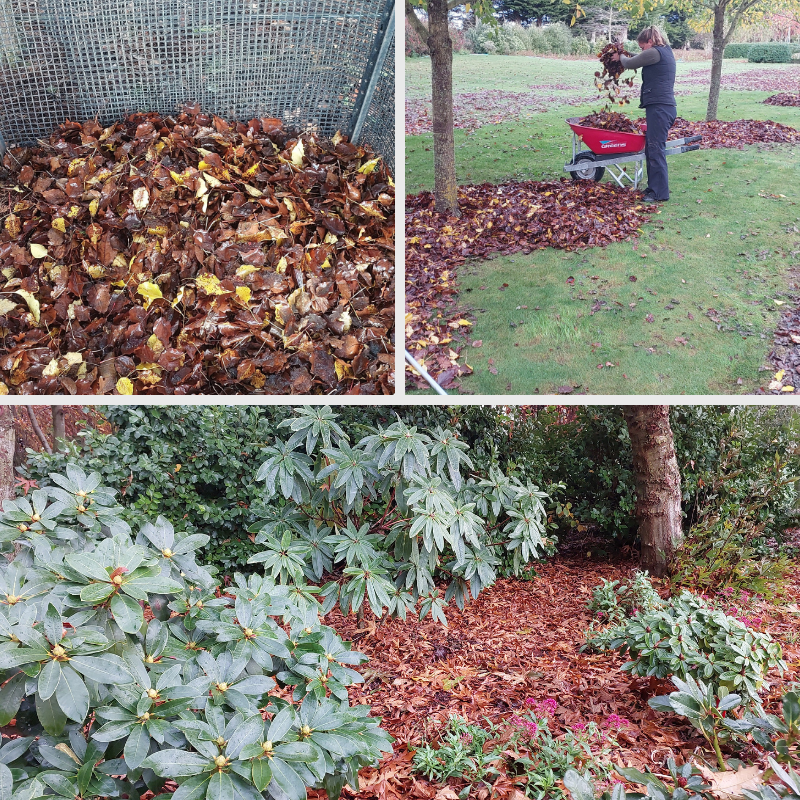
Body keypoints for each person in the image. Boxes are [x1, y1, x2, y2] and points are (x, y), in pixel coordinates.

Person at [611, 27, 676, 203]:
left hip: (660, 108)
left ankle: (659, 193)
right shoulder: (662, 51)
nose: (641, 51)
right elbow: (639, 57)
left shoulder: (654, 52)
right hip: (661, 107)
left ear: (650, 41)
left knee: (656, 149)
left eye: (642, 47)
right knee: (652, 149)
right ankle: (654, 188)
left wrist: (620, 57)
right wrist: (625, 52)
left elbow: (630, 63)